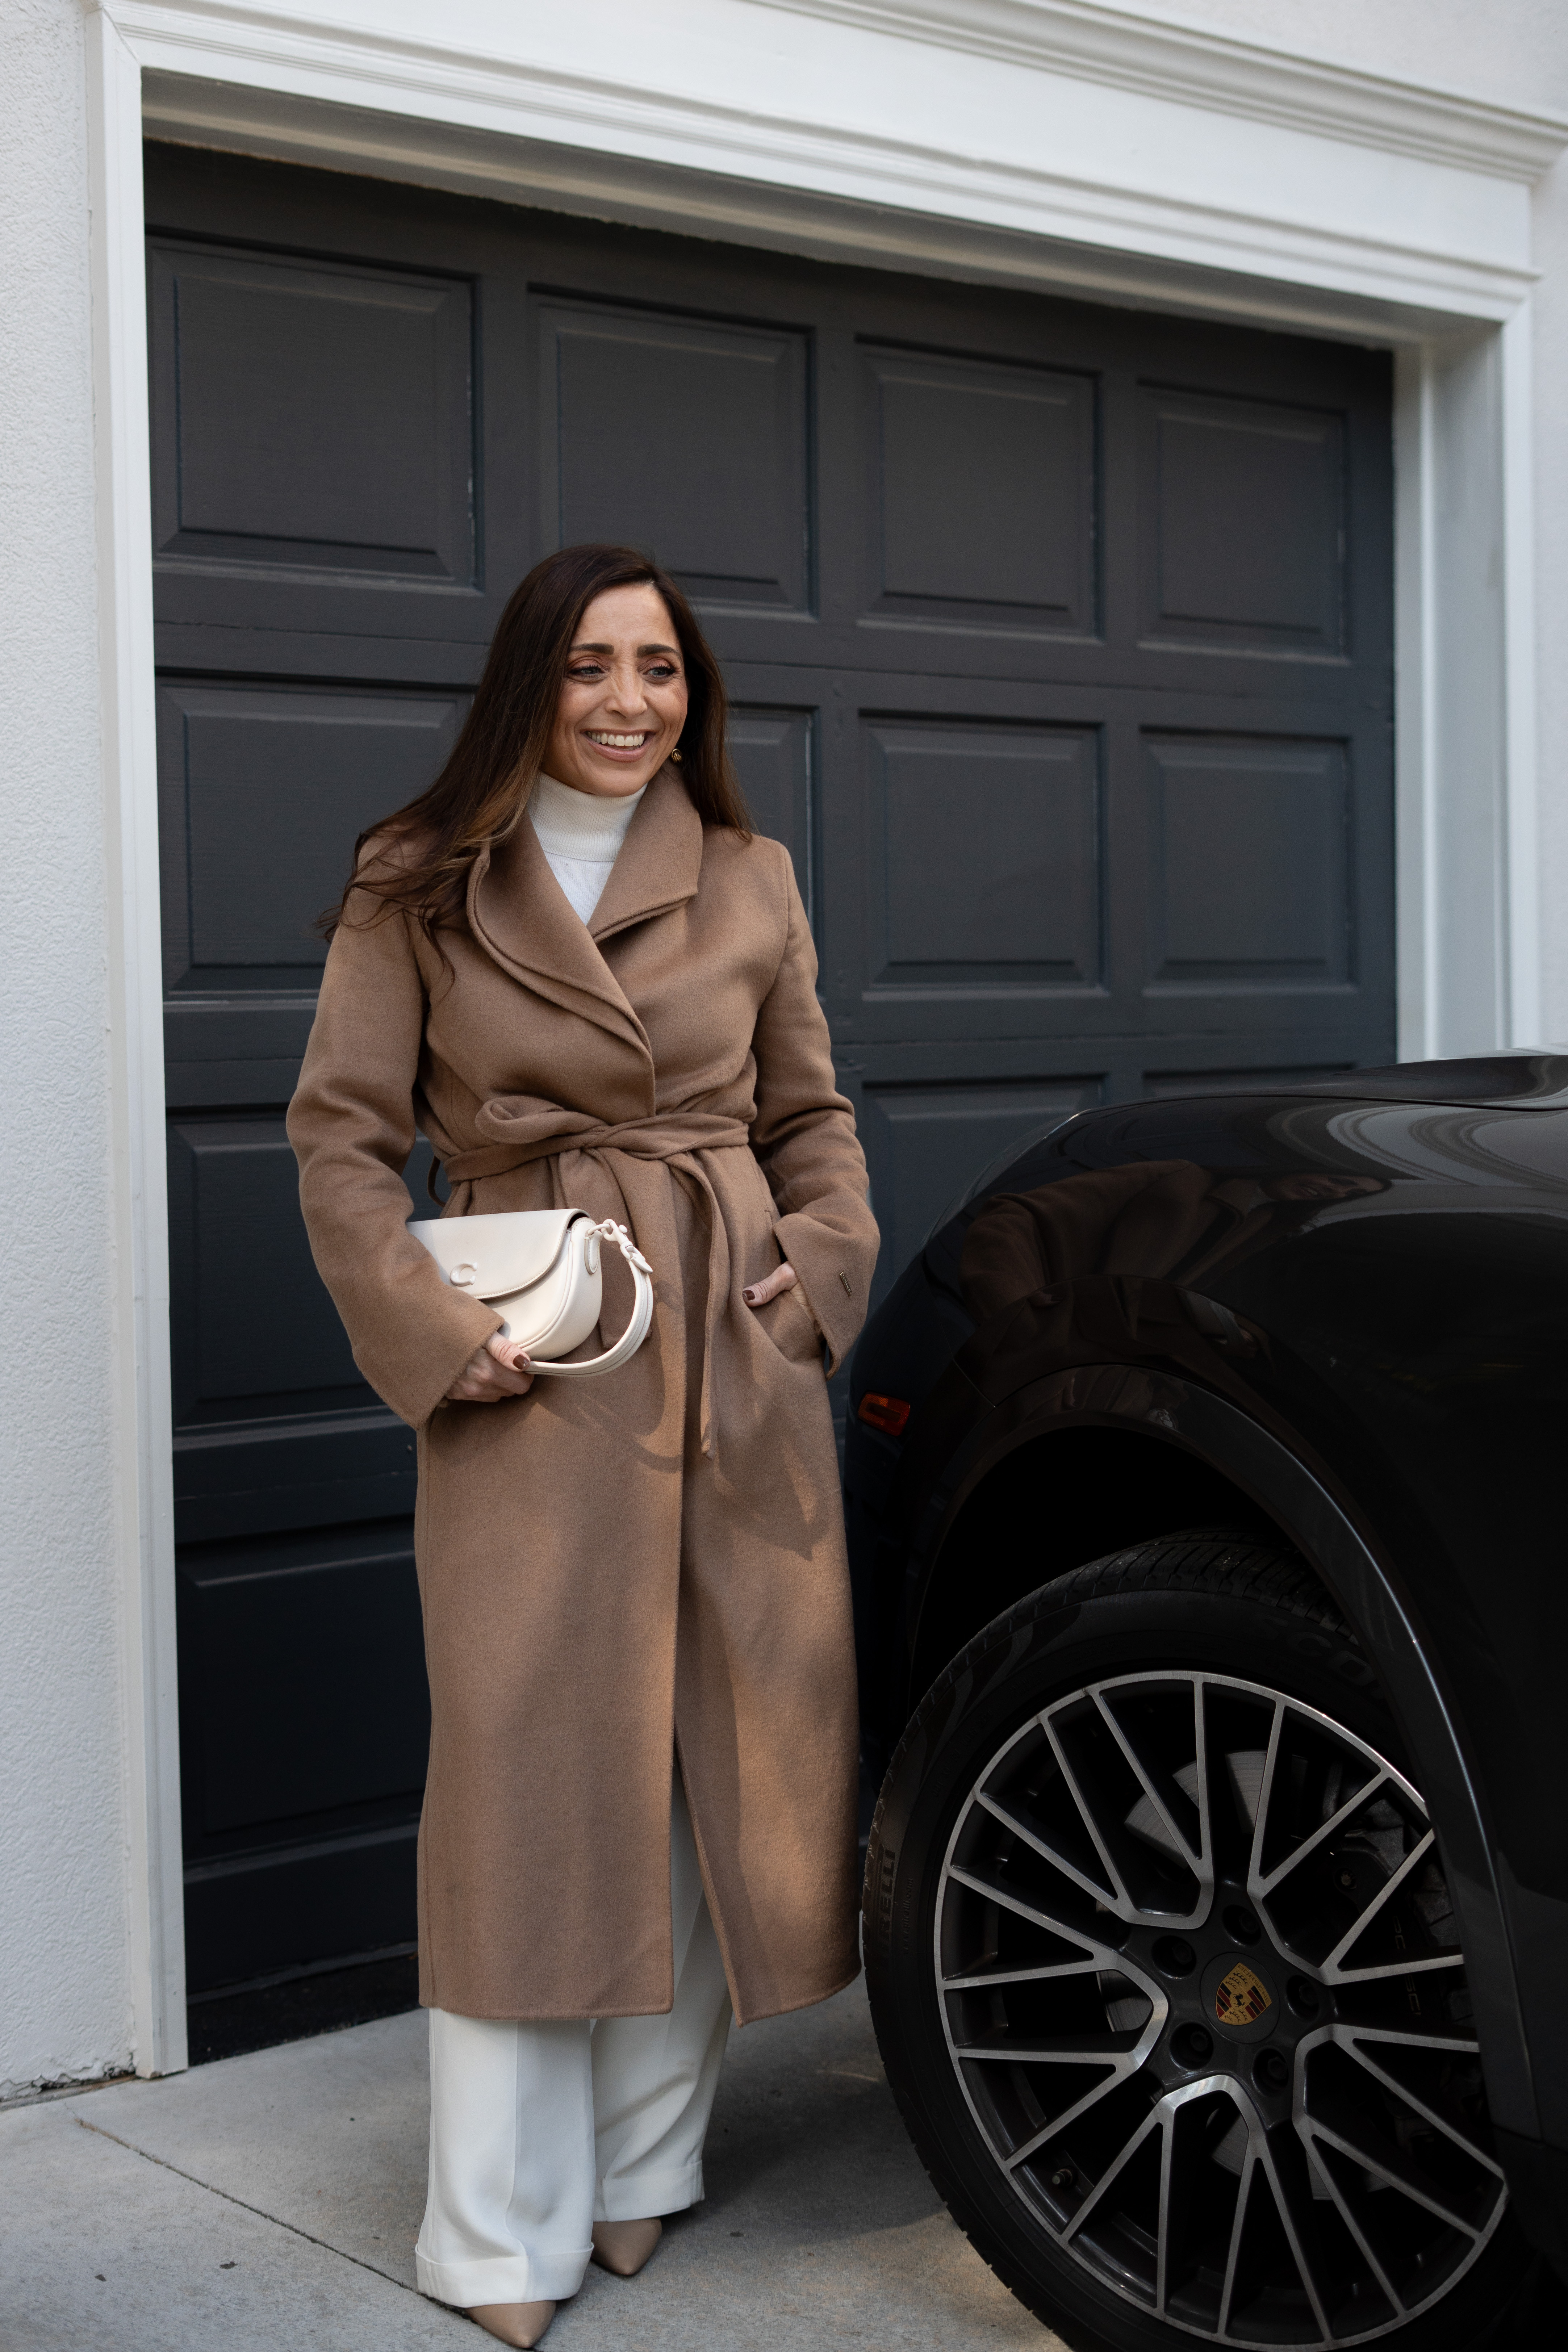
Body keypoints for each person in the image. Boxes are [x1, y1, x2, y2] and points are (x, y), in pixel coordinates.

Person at [288, 543, 878, 2347]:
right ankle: (496, 2232)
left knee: (721, 1763)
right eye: (594, 667)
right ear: (530, 680)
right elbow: (338, 1136)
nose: (634, 701)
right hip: (538, 1357)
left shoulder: (754, 875)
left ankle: (643, 2169)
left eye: (664, 669)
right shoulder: (420, 878)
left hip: (731, 1346)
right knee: (528, 1789)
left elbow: (813, 1115)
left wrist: (816, 1275)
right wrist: (425, 1328)